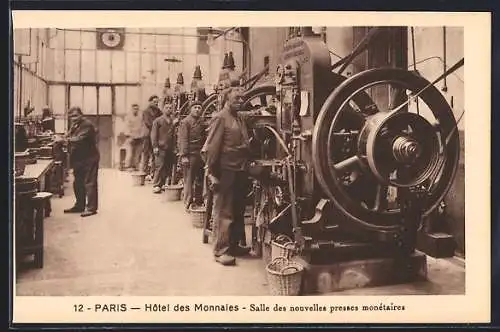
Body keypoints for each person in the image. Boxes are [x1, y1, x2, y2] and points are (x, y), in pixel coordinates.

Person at [201, 86, 253, 266]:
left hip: (239, 169)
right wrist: (211, 173)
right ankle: (221, 250)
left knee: (238, 210)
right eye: (236, 99)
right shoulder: (220, 118)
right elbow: (211, 148)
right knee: (224, 211)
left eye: (242, 98)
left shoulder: (238, 117)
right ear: (226, 100)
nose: (240, 101)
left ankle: (234, 245)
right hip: (225, 171)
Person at [63, 106, 100, 217]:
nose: (73, 118)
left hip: (90, 158)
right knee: (78, 183)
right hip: (79, 159)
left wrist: (65, 140)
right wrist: (64, 137)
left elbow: (80, 139)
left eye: (75, 115)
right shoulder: (75, 125)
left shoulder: (86, 125)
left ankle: (91, 208)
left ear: (81, 115)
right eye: (71, 116)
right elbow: (69, 136)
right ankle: (79, 205)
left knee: (90, 183)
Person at [178, 102, 206, 211]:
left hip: (200, 155)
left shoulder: (202, 122)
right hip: (190, 155)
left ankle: (198, 201)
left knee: (200, 179)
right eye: (195, 108)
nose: (197, 110)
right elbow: (183, 140)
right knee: (189, 180)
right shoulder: (185, 122)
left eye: (199, 108)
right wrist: (184, 156)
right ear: (190, 109)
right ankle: (188, 203)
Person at [150, 103, 177, 194]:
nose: (169, 109)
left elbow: (173, 135)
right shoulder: (158, 121)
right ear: (163, 109)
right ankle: (156, 185)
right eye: (167, 108)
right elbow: (153, 135)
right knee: (160, 166)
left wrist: (174, 147)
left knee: (168, 166)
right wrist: (155, 147)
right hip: (160, 147)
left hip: (169, 147)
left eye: (170, 107)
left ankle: (164, 184)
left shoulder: (173, 121)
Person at [141, 95, 162, 177]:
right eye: (154, 102)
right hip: (147, 135)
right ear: (150, 102)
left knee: (154, 154)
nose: (156, 103)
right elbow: (148, 123)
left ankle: (153, 173)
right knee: (146, 154)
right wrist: (158, 127)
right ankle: (144, 172)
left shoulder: (158, 111)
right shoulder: (146, 111)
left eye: (157, 102)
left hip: (155, 135)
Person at [125, 103, 143, 170]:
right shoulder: (128, 117)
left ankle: (136, 166)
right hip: (131, 137)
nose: (136, 110)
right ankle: (128, 166)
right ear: (132, 109)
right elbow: (126, 127)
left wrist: (141, 135)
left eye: (137, 109)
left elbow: (141, 127)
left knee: (138, 153)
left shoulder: (140, 117)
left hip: (139, 137)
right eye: (134, 109)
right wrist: (130, 136)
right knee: (130, 152)